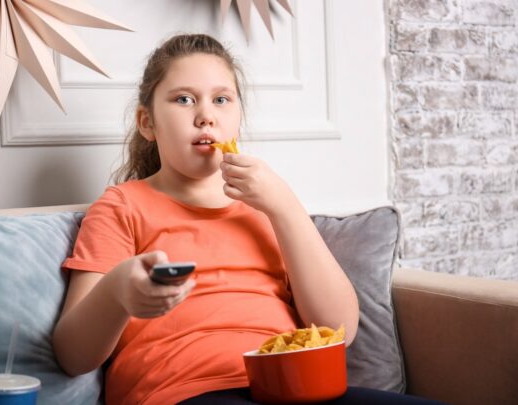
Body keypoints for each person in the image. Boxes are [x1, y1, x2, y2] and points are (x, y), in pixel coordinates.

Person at [53, 34, 445, 405]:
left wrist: (285, 207)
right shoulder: (122, 206)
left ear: (238, 118)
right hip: (184, 392)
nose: (206, 116)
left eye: (222, 99)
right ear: (147, 123)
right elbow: (73, 355)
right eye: (184, 99)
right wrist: (120, 290)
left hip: (295, 387)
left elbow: (339, 329)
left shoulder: (269, 209)